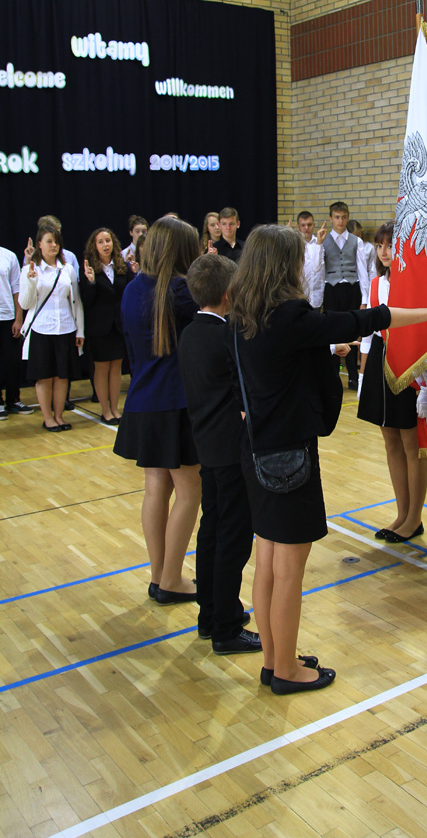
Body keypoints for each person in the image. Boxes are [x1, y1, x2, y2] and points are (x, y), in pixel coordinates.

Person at [229, 223, 427, 694]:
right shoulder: (291, 315)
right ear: (283, 266)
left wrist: (321, 348)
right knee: (288, 570)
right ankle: (287, 671)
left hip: (255, 450)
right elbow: (368, 318)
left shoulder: (242, 316)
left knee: (268, 560)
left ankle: (275, 659)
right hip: (289, 456)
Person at [113, 217, 202, 603]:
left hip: (143, 399)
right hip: (175, 403)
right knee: (189, 492)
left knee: (156, 489)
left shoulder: (133, 289)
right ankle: (171, 580)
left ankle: (159, 575)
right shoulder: (181, 292)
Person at [178, 254, 262, 655]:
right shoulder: (226, 337)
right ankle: (226, 627)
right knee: (233, 537)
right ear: (229, 294)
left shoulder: (190, 333)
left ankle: (210, 613)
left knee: (211, 530)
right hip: (230, 450)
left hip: (207, 446)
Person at [357, 221, 427, 543]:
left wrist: (426, 380)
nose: (384, 252)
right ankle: (402, 513)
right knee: (390, 440)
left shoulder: (414, 282)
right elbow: (368, 334)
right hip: (379, 360)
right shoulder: (375, 284)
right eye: (380, 246)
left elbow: (425, 331)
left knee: (412, 443)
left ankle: (414, 518)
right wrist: (362, 375)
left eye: (390, 245)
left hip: (408, 361)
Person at [19, 225, 84, 432]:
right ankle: (48, 418)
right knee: (44, 376)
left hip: (65, 327)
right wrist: (30, 281)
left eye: (56, 242)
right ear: (39, 244)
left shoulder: (67, 269)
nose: (54, 245)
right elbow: (25, 303)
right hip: (42, 329)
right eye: (49, 241)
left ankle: (59, 416)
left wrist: (80, 330)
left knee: (62, 376)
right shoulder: (31, 269)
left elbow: (76, 301)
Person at [80, 228, 135, 423]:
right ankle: (105, 410)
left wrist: (134, 273)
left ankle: (115, 409)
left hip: (118, 326)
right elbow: (86, 301)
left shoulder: (122, 266)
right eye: (101, 242)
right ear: (94, 246)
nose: (105, 245)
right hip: (99, 327)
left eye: (108, 241)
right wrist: (91, 283)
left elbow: (128, 293)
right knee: (102, 368)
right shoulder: (89, 268)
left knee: (116, 367)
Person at [322, 201, 369, 390]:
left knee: (352, 331)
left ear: (347, 218)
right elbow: (319, 270)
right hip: (332, 290)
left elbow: (362, 271)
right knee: (333, 332)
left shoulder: (356, 241)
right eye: (337, 217)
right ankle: (333, 375)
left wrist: (364, 299)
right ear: (331, 218)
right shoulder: (323, 240)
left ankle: (353, 377)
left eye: (343, 217)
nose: (340, 221)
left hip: (352, 288)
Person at [0, 245, 34, 420]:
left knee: (12, 361)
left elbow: (16, 287)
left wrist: (18, 318)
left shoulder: (8, 256)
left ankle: (13, 399)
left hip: (7, 316)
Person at [296, 210, 327, 309]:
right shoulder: (295, 244)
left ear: (313, 225)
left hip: (317, 296)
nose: (306, 228)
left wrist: (319, 243)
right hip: (299, 296)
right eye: (303, 225)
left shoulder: (320, 243)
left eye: (309, 225)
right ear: (298, 226)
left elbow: (317, 267)